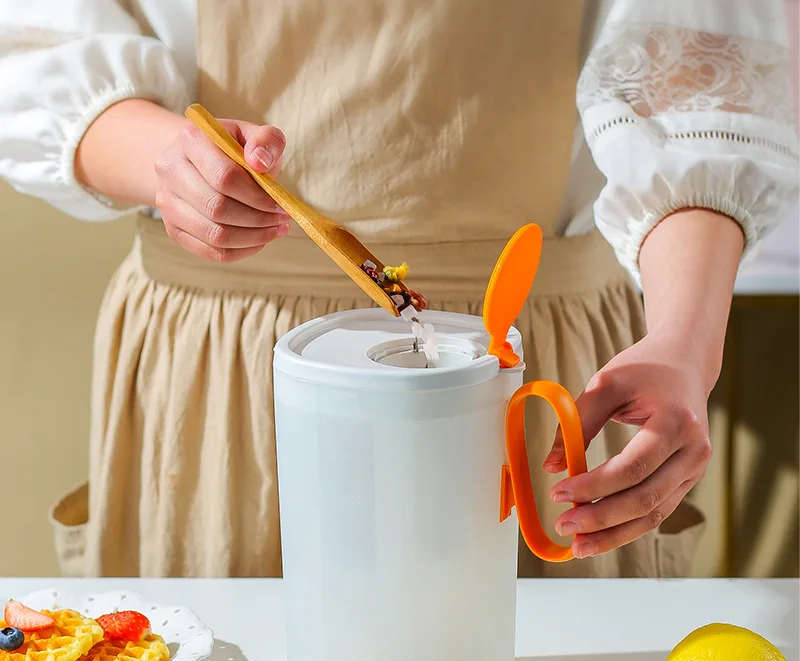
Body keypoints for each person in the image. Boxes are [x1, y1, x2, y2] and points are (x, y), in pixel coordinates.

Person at [0, 0, 796, 579]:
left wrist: (685, 345)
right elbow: (35, 48)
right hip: (226, 364)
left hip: (528, 356)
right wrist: (169, 160)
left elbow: (698, 95)